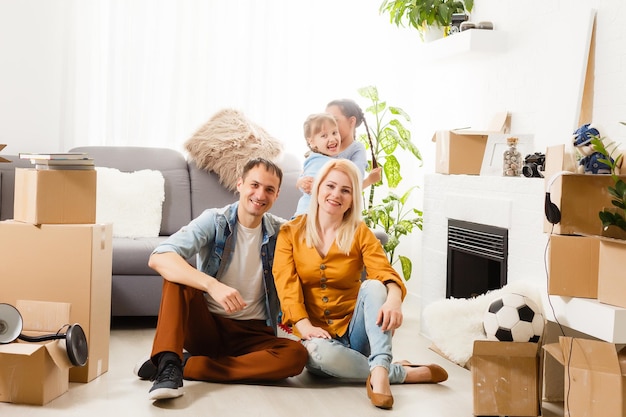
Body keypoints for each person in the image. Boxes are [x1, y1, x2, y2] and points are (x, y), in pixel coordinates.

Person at [272, 159, 448, 410]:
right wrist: (305, 326)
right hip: (318, 337)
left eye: (345, 190)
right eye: (330, 186)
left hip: (357, 333)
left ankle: (378, 368)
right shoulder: (291, 232)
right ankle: (395, 372)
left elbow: (383, 271)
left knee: (374, 287)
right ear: (318, 187)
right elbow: (285, 283)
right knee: (318, 355)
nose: (336, 195)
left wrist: (394, 300)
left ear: (354, 197)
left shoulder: (359, 231)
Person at [137, 157, 308, 401]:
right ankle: (169, 366)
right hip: (207, 327)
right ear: (240, 184)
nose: (260, 194)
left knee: (295, 356)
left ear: (277, 195)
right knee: (177, 277)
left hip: (254, 334)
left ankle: (185, 364)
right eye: (254, 185)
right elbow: (159, 257)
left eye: (269, 189)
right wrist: (212, 285)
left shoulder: (282, 231)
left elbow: (318, 244)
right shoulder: (216, 221)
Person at [296, 99, 382, 197]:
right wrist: (302, 183)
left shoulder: (356, 149)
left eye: (333, 119)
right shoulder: (320, 150)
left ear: (351, 121)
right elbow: (301, 179)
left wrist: (369, 180)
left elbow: (352, 185)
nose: (327, 123)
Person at [293, 113, 343, 217]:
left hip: (311, 216)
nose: (332, 139)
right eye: (324, 136)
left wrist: (300, 182)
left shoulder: (319, 159)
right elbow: (308, 185)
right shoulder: (320, 161)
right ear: (312, 142)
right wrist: (306, 183)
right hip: (309, 216)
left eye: (334, 132)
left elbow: (301, 182)